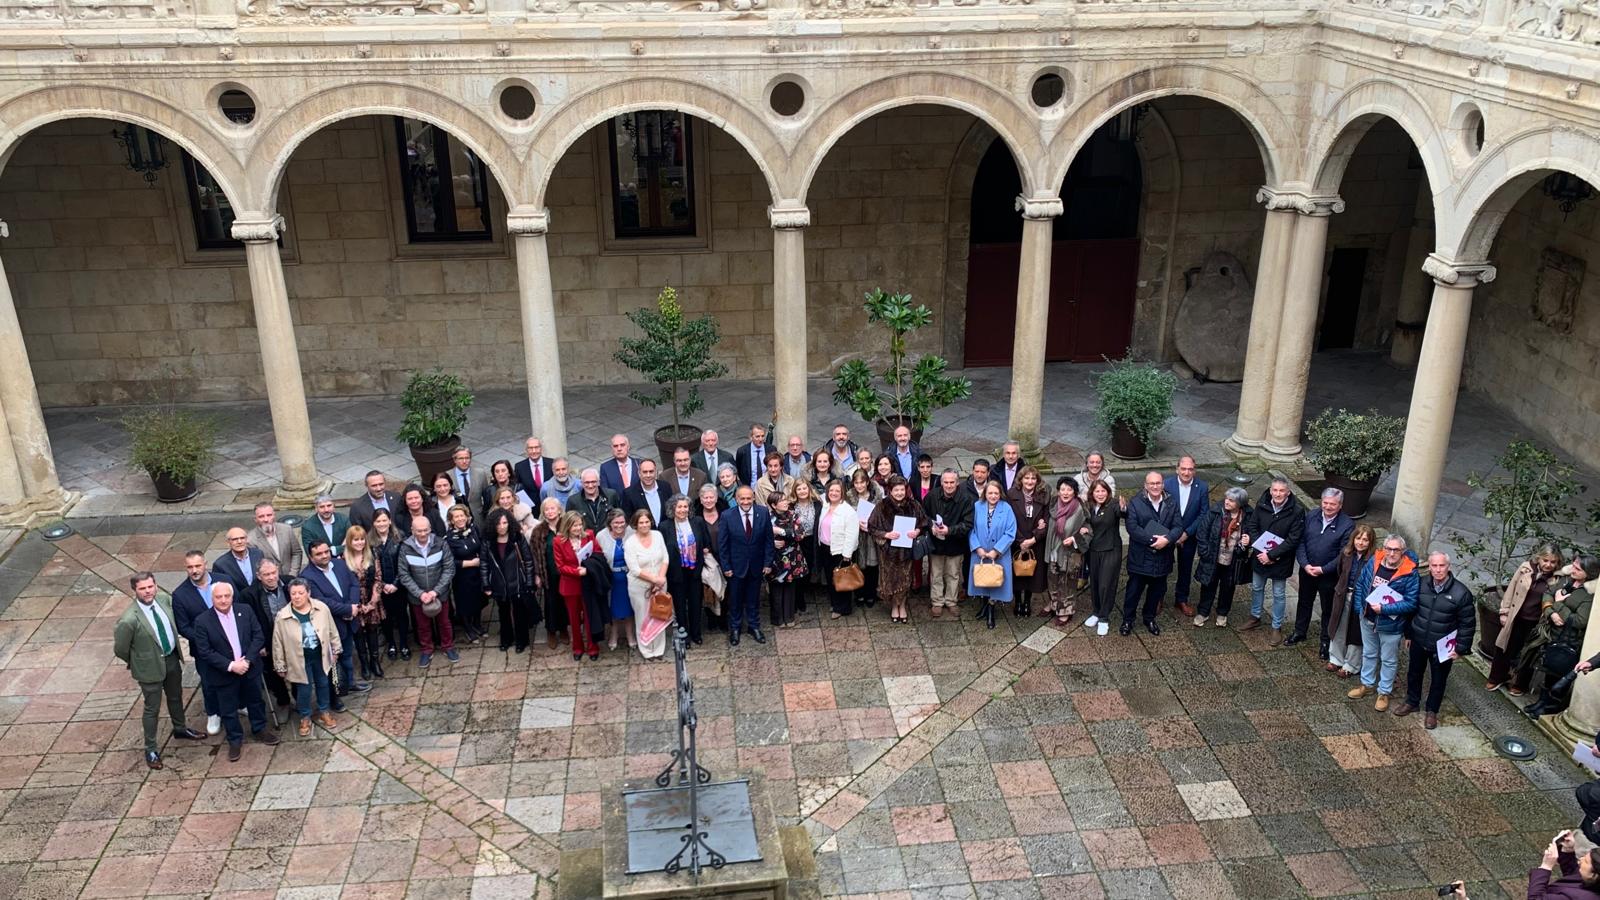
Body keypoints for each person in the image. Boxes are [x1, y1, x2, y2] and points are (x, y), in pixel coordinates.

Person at [113, 572, 206, 769]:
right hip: (149, 669)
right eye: (142, 588)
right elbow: (120, 649)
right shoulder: (129, 619)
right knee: (152, 708)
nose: (148, 591)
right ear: (134, 590)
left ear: (155, 586)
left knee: (176, 696)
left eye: (150, 586)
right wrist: (139, 661)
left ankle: (180, 728)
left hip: (171, 658)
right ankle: (151, 748)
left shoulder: (164, 600)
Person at [190, 581, 277, 761]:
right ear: (212, 598)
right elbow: (205, 651)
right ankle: (235, 740)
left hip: (249, 668)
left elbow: (258, 635)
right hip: (224, 673)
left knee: (255, 701)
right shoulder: (202, 621)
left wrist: (248, 660)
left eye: (226, 596)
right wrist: (231, 665)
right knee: (228, 709)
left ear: (232, 596)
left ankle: (259, 729)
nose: (223, 600)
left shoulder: (245, 610)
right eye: (218, 597)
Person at [1395, 551, 1475, 728]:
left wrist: (1461, 648)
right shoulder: (1421, 584)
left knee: (1439, 679)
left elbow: (1467, 623)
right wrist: (1408, 634)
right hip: (1419, 638)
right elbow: (1411, 611)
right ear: (1429, 567)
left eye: (1442, 566)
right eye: (1434, 566)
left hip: (1443, 645)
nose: (1438, 570)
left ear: (1448, 567)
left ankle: (1432, 710)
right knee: (1414, 673)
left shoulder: (1461, 593)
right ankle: (1412, 702)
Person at [1346, 534, 1419, 712]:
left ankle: (1384, 692)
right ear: (1383, 549)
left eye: (1396, 550)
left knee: (1388, 659)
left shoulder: (1410, 572)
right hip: (1367, 619)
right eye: (1388, 549)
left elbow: (1411, 602)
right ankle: (1367, 684)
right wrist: (1359, 609)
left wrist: (1385, 609)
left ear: (1403, 552)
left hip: (1390, 625)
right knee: (1369, 654)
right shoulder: (1374, 561)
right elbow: (1362, 585)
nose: (1391, 553)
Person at [1520, 557, 1595, 719]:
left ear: (1588, 574)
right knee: (1548, 669)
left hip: (1568, 640)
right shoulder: (1566, 579)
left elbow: (1580, 621)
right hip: (1551, 633)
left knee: (1558, 673)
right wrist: (1551, 612)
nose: (1572, 569)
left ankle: (1549, 707)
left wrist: (1559, 604)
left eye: (1578, 569)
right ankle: (1541, 702)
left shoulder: (1588, 595)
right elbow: (1548, 594)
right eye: (1573, 565)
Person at [1489, 544, 1565, 693]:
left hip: (1536, 621)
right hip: (1516, 616)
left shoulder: (1559, 578)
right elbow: (1511, 588)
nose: (1548, 565)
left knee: (1529, 653)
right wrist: (1504, 612)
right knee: (1504, 647)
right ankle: (1497, 677)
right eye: (1545, 560)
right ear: (1539, 558)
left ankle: (1520, 684)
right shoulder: (1526, 568)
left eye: (1553, 562)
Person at [301, 538, 369, 700]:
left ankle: (350, 683)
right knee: (335, 660)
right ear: (311, 558)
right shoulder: (307, 577)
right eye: (319, 554)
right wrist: (347, 609)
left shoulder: (339, 564)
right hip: (331, 625)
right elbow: (322, 601)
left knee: (348, 654)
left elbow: (353, 583)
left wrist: (353, 606)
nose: (324, 556)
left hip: (349, 618)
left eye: (326, 552)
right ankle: (338, 691)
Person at [272, 577, 341, 737]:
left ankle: (324, 710)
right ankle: (305, 716)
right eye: (293, 593)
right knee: (304, 688)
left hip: (319, 655)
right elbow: (277, 643)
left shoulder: (321, 608)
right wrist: (280, 665)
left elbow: (331, 629)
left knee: (323, 682)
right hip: (298, 659)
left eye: (300, 593)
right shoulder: (283, 616)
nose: (296, 597)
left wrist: (336, 648)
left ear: (308, 593)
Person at [1291, 487, 1355, 652]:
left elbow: (1344, 554)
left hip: (1329, 575)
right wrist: (1305, 564)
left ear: (1340, 505)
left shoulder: (1348, 525)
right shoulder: (1312, 515)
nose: (1327, 507)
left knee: (1328, 608)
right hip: (1307, 570)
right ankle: (1299, 631)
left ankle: (1326, 641)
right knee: (1304, 602)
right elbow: (1301, 542)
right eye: (1325, 502)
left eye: (1332, 504)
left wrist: (1323, 569)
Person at [1244, 477, 1304, 645]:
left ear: (1288, 492)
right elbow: (1252, 527)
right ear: (1270, 491)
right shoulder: (1262, 504)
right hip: (1259, 556)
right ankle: (1255, 617)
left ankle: (1276, 626)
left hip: (1281, 560)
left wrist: (1271, 555)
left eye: (1281, 491)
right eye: (1275, 490)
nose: (1278, 494)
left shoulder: (1297, 511)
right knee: (1256, 587)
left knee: (1278, 594)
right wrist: (1261, 551)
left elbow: (1293, 539)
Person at [171, 550, 224, 735]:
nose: (194, 570)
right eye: (190, 567)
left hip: (230, 641)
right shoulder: (180, 594)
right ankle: (214, 713)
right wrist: (205, 640)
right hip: (203, 648)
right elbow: (183, 627)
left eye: (197, 565)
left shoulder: (224, 580)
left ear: (205, 564)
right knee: (209, 682)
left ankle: (239, 704)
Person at [1122, 471, 1181, 636]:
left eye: (1158, 483)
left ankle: (1149, 618)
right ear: (1145, 485)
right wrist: (1154, 540)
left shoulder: (1171, 503)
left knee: (1156, 592)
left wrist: (1168, 539)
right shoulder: (1135, 503)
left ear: (1163, 484)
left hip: (1163, 558)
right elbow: (1132, 528)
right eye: (1151, 483)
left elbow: (1178, 526)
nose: (1155, 486)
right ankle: (1128, 620)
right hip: (1140, 558)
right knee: (1133, 591)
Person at [398, 514, 458, 669]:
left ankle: (448, 647)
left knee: (444, 622)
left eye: (425, 530)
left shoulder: (440, 544)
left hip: (440, 594)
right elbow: (404, 574)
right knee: (422, 625)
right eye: (419, 531)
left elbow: (449, 568)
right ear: (412, 530)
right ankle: (427, 649)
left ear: (430, 529)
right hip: (418, 597)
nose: (423, 534)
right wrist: (420, 593)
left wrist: (435, 592)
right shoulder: (405, 548)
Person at [868, 475, 928, 624]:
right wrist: (886, 534)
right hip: (888, 551)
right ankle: (894, 604)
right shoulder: (882, 506)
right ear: (890, 490)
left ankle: (903, 605)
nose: (900, 493)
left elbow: (923, 522)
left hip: (906, 551)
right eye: (896, 490)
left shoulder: (914, 505)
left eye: (902, 489)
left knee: (906, 578)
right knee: (891, 579)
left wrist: (917, 531)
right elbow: (872, 526)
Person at [720, 485, 774, 645]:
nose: (745, 501)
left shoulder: (763, 513)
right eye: (742, 498)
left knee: (753, 598)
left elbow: (768, 540)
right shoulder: (727, 516)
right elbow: (723, 544)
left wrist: (767, 562)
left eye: (748, 498)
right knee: (735, 600)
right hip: (736, 567)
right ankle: (735, 629)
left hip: (757, 565)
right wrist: (726, 567)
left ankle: (754, 626)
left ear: (753, 498)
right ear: (736, 499)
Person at [1192, 486, 1250, 628]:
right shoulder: (1215, 512)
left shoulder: (1248, 516)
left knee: (1228, 587)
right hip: (1213, 557)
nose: (1227, 502)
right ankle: (1203, 612)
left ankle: (1222, 613)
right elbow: (1202, 532)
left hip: (1233, 559)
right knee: (1208, 585)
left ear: (1240, 503)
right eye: (1226, 498)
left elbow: (1253, 533)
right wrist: (1205, 552)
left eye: (1231, 500)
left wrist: (1249, 540)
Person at [1326, 524, 1377, 677]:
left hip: (1360, 599)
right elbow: (1340, 571)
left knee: (1356, 632)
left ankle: (1351, 665)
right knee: (1338, 627)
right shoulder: (1346, 553)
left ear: (1370, 543)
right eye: (1358, 538)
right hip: (1343, 595)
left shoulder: (1373, 560)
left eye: (1365, 540)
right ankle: (1336, 659)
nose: (1360, 542)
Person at [242, 559, 295, 706]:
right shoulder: (249, 595)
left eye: (273, 573)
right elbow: (249, 623)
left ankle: (299, 699)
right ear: (259, 576)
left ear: (278, 570)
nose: (271, 577)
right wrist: (259, 644)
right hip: (268, 640)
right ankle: (283, 701)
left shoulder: (289, 583)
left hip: (292, 636)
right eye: (266, 575)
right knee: (273, 674)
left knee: (296, 669)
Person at [922, 469, 973, 618]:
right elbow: (923, 515)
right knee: (936, 573)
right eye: (946, 482)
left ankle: (951, 601)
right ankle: (937, 601)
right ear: (941, 482)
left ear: (957, 483)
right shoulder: (932, 496)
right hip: (936, 543)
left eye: (952, 482)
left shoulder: (966, 499)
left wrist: (950, 530)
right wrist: (931, 526)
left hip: (955, 543)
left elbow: (968, 524)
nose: (949, 485)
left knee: (953, 574)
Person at [1164, 456, 1210, 617]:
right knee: (1163, 566)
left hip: (1189, 536)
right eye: (1183, 469)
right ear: (1177, 469)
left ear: (1194, 471)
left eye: (1190, 469)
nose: (1186, 472)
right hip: (1169, 534)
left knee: (1185, 568)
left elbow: (1204, 514)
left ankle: (1181, 599)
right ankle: (1158, 599)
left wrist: (1186, 533)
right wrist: (1173, 534)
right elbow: (1162, 510)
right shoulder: (1167, 484)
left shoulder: (1202, 487)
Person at [665, 495, 713, 644]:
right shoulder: (664, 526)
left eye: (685, 506)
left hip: (694, 571)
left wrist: (705, 549)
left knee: (695, 604)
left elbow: (706, 542)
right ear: (673, 509)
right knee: (679, 606)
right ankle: (683, 636)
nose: (682, 510)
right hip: (676, 573)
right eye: (679, 507)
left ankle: (696, 634)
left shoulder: (697, 522)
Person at [553, 512, 600, 660]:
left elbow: (598, 553)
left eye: (580, 524)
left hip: (588, 583)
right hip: (570, 585)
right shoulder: (558, 541)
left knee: (589, 617)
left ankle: (593, 648)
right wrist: (576, 572)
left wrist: (589, 569)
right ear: (567, 526)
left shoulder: (589, 535)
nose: (578, 528)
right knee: (574, 619)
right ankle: (578, 648)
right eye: (575, 525)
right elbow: (560, 566)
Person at [970, 480, 1017, 630]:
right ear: (985, 493)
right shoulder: (977, 506)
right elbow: (971, 529)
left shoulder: (1007, 508)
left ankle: (991, 610)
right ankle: (984, 605)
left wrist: (996, 550)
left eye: (996, 493)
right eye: (990, 493)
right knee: (982, 580)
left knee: (996, 582)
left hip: (999, 554)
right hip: (981, 553)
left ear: (1000, 494)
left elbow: (1010, 532)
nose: (993, 496)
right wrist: (977, 548)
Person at [624, 509, 670, 659]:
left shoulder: (657, 535)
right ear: (635, 525)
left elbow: (665, 558)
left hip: (660, 582)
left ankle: (658, 649)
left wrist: (660, 579)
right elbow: (635, 569)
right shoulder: (630, 542)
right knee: (643, 617)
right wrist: (654, 580)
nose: (644, 525)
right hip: (640, 586)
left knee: (659, 614)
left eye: (647, 522)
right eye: (641, 522)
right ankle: (646, 650)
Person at [343, 525, 385, 681]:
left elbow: (378, 577)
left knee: (373, 632)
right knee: (359, 634)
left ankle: (375, 662)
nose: (359, 543)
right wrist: (357, 606)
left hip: (371, 599)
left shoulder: (372, 555)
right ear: (350, 541)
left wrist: (374, 600)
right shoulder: (343, 559)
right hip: (354, 603)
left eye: (362, 539)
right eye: (356, 540)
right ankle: (364, 664)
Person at [1043, 477, 1087, 626]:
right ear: (1058, 490)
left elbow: (1089, 529)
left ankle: (1066, 610)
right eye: (1063, 489)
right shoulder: (1054, 504)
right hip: (1054, 548)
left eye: (1069, 490)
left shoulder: (1080, 508)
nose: (1066, 493)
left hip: (1070, 552)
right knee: (1053, 578)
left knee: (1068, 582)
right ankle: (1055, 604)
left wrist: (1075, 538)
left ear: (1075, 492)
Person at [368, 509, 410, 662]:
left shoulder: (400, 537)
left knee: (402, 616)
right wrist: (383, 584)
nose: (381, 524)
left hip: (399, 585)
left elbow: (405, 563)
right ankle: (391, 643)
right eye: (378, 521)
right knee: (385, 617)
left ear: (390, 521)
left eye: (384, 520)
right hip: (381, 587)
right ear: (374, 523)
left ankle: (404, 644)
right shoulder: (369, 542)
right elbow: (370, 566)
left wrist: (396, 583)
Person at [1007, 466, 1048, 617]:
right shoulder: (1011, 494)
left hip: (1035, 542)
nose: (1030, 481)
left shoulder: (1043, 496)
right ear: (1021, 479)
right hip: (1016, 541)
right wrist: (1021, 541)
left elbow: (1046, 520)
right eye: (1027, 478)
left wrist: (1033, 539)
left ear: (1037, 481)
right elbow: (1008, 519)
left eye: (1033, 478)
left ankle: (1027, 603)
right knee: (1017, 573)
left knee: (1031, 573)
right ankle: (1017, 601)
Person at [528, 498, 569, 647]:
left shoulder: (566, 526)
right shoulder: (538, 531)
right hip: (548, 572)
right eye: (547, 509)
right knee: (550, 602)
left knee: (564, 601)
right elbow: (534, 554)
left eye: (553, 508)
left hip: (565, 572)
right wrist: (537, 575)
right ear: (543, 512)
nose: (550, 512)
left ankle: (564, 628)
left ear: (559, 510)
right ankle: (551, 631)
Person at [1083, 480, 1122, 637]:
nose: (1100, 494)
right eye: (1097, 491)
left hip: (1111, 549)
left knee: (1107, 584)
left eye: (1103, 491)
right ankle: (1096, 612)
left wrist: (1124, 507)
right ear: (1092, 493)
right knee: (1095, 583)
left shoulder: (1113, 505)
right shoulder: (1089, 507)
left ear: (1108, 492)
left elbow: (1122, 512)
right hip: (1093, 549)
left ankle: (1104, 618)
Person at [819, 479, 861, 619]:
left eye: (837, 491)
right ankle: (834, 603)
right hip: (825, 549)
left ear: (842, 493)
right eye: (831, 490)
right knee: (831, 579)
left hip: (840, 552)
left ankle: (842, 607)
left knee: (843, 580)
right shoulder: (825, 506)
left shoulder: (848, 511)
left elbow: (852, 534)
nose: (834, 493)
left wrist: (847, 555)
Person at [768, 491, 809, 627]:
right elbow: (761, 536)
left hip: (792, 556)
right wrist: (771, 542)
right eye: (781, 501)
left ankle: (789, 617)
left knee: (790, 587)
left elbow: (800, 535)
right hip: (776, 558)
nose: (785, 502)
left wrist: (781, 532)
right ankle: (778, 619)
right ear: (774, 505)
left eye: (785, 499)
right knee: (776, 588)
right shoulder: (768, 517)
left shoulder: (793, 515)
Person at [595, 508, 633, 651]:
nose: (619, 526)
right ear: (610, 523)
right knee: (614, 609)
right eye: (616, 523)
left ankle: (630, 634)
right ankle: (614, 633)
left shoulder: (631, 533)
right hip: (611, 578)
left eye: (622, 522)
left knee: (629, 607)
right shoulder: (601, 536)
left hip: (629, 577)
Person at [1527, 831, 1600, 899]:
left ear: (1594, 875)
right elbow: (1573, 875)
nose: (1580, 860)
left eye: (1586, 861)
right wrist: (1568, 850)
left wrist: (1545, 867)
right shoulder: (1592, 880)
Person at [848, 468, 883, 607]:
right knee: (858, 565)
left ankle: (870, 594)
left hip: (872, 536)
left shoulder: (876, 496)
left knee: (872, 566)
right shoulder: (849, 496)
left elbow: (881, 515)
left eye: (862, 483)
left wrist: (871, 525)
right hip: (857, 536)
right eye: (856, 483)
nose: (859, 486)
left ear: (867, 482)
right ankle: (859, 594)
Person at [788, 479, 820, 614]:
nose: (802, 491)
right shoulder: (791, 506)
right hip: (797, 543)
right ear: (795, 491)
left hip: (812, 541)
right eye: (799, 489)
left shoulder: (817, 504)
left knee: (809, 569)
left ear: (809, 489)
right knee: (798, 571)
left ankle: (803, 593)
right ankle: (798, 599)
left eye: (804, 488)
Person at [249, 501, 303, 576]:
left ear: (274, 515)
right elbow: (256, 565)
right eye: (261, 516)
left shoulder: (286, 529)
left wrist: (292, 574)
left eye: (269, 515)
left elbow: (296, 553)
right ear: (255, 519)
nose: (266, 519)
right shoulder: (251, 540)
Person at [621, 458, 672, 526]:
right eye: (645, 472)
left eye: (651, 471)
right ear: (639, 473)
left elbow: (670, 511)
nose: (648, 475)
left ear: (656, 472)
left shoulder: (665, 487)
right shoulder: (629, 493)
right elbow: (628, 519)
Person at [567, 467, 620, 532]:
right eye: (587, 482)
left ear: (599, 482)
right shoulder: (573, 501)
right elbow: (568, 524)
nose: (590, 485)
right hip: (586, 539)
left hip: (608, 537)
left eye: (593, 482)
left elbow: (619, 515)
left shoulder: (611, 495)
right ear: (581, 483)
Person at [213, 527, 263, 593]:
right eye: (235, 539)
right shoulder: (220, 564)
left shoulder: (258, 554)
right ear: (228, 542)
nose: (239, 542)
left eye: (242, 538)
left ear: (246, 540)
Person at [445, 446, 485, 519]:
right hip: (458, 518)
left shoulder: (480, 474)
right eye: (461, 458)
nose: (464, 461)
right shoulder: (448, 476)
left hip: (478, 517)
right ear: (455, 460)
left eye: (467, 458)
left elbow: (486, 496)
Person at [514, 436, 555, 501]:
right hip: (530, 507)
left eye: (536, 447)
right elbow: (518, 488)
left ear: (541, 448)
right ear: (526, 450)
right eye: (530, 448)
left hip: (550, 505)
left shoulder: (551, 463)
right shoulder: (519, 467)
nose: (534, 451)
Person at [479, 459, 520, 524]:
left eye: (503, 471)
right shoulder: (489, 491)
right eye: (497, 472)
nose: (500, 474)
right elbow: (486, 512)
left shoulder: (518, 487)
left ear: (509, 473)